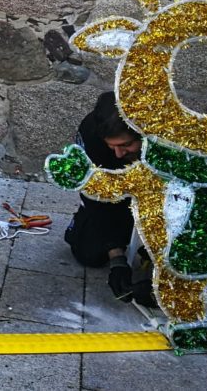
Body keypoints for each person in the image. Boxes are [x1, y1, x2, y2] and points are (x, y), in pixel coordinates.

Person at [64, 91, 155, 307]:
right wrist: (117, 259)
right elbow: (94, 195)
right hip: (112, 198)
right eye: (111, 146)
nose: (118, 154)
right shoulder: (90, 134)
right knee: (89, 254)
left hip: (160, 197)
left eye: (126, 146)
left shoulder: (164, 137)